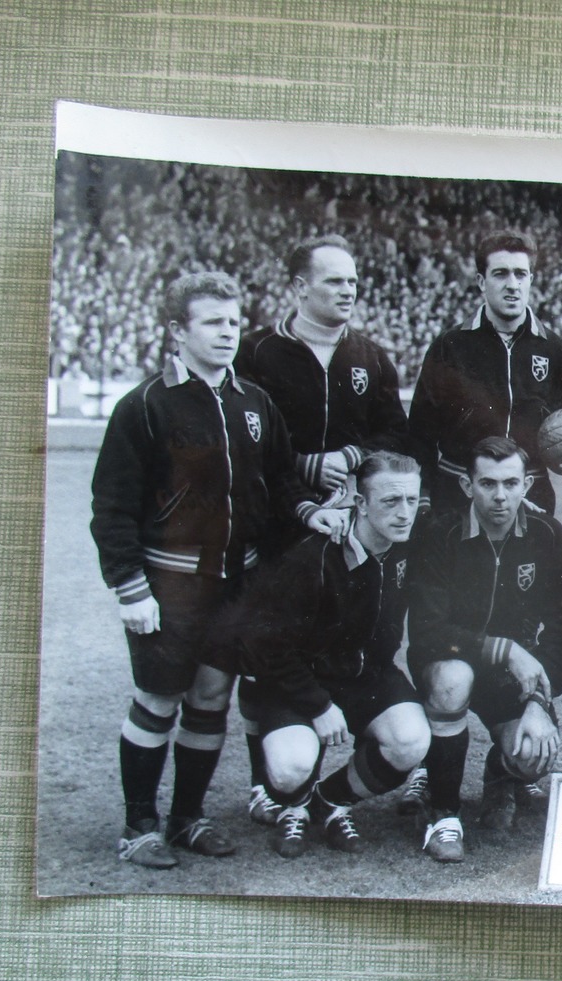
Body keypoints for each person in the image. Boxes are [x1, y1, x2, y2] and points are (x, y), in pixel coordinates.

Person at [89, 271, 345, 868]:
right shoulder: (146, 405)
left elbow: (279, 479)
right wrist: (129, 587)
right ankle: (139, 827)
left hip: (238, 585)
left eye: (233, 321)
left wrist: (308, 510)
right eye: (212, 322)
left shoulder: (252, 402)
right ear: (177, 331)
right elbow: (112, 506)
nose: (228, 332)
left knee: (210, 699)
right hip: (169, 583)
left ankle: (186, 819)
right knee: (158, 700)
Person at [234, 233, 409, 826]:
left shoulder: (370, 356)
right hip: (279, 523)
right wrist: (306, 464)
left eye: (353, 280)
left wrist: (355, 455)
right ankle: (268, 783)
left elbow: (395, 437)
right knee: (267, 644)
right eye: (334, 279)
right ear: (299, 287)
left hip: (349, 524)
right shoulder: (258, 354)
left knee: (339, 630)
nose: (349, 289)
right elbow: (246, 441)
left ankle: (326, 785)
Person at [230, 452, 429, 859]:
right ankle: (295, 805)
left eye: (411, 500)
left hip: (366, 678)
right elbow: (263, 644)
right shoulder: (314, 556)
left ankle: (328, 802)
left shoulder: (409, 547)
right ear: (360, 504)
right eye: (391, 501)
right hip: (302, 683)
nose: (404, 512)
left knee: (411, 741)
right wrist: (318, 705)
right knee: (290, 767)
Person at [403, 437, 562, 861]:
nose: (500, 496)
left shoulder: (548, 535)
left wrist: (539, 701)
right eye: (487, 484)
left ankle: (501, 779)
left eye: (510, 483)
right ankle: (444, 815)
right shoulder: (439, 533)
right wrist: (505, 650)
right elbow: (426, 630)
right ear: (467, 486)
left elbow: (561, 633)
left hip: (509, 677)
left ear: (527, 484)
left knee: (535, 753)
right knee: (453, 680)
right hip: (449, 660)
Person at [407, 229, 562, 518]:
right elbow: (418, 435)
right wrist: (422, 501)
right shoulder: (450, 347)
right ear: (482, 282)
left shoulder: (556, 351)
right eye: (501, 274)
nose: (512, 285)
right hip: (457, 495)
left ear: (531, 279)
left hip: (532, 494)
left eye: (521, 274)